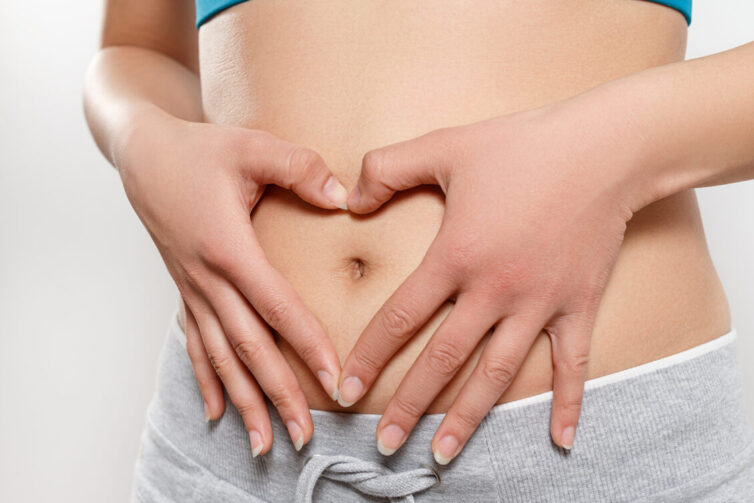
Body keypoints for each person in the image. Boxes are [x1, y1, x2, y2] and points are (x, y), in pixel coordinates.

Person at [84, 0, 754, 500]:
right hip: (226, 448)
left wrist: (606, 147)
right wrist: (139, 136)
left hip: (583, 453)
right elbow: (138, 49)